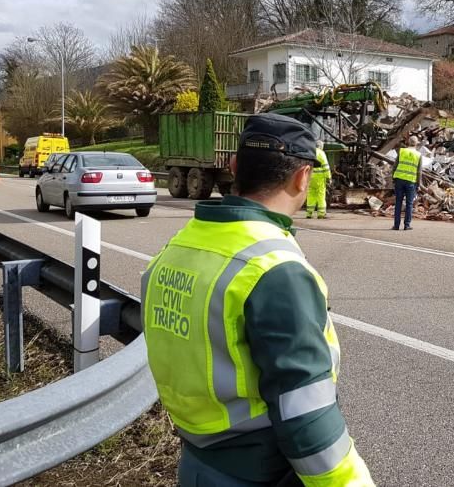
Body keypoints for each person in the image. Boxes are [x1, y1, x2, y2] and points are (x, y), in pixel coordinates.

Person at [141, 114, 373, 487]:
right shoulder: (274, 268)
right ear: (303, 178)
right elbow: (306, 412)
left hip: (198, 460)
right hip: (261, 471)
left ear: (234, 167)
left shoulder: (177, 248)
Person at [391, 135, 422, 231]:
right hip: (410, 182)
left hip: (399, 180)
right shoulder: (418, 155)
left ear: (408, 142)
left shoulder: (402, 151)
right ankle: (407, 225)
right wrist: (419, 184)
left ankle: (396, 225)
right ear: (417, 144)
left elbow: (395, 166)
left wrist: (393, 177)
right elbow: (419, 171)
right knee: (409, 204)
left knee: (398, 203)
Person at [306, 140, 331, 219]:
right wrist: (328, 177)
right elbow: (326, 167)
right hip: (319, 178)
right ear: (321, 146)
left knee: (310, 194)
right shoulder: (321, 153)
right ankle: (321, 214)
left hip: (310, 177)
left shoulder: (310, 152)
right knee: (320, 195)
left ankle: (309, 213)